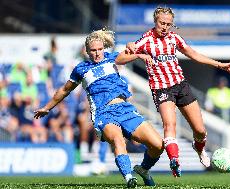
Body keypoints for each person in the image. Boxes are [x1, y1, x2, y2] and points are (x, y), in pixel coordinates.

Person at [34, 29, 163, 188]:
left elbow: (129, 53)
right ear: (87, 51)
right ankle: (129, 177)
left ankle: (143, 170)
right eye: (93, 50)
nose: (97, 53)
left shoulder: (112, 58)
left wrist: (139, 54)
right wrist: (47, 107)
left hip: (126, 110)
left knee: (158, 144)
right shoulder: (81, 69)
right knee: (117, 140)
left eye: (100, 49)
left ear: (104, 49)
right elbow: (64, 90)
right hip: (104, 113)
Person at [116, 6, 230, 177]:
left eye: (168, 24)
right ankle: (174, 160)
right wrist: (139, 55)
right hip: (161, 89)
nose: (165, 27)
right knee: (169, 125)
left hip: (181, 85)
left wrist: (219, 64)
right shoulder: (146, 40)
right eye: (162, 23)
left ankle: (199, 148)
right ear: (155, 22)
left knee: (200, 131)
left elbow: (193, 54)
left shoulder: (174, 38)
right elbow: (120, 59)